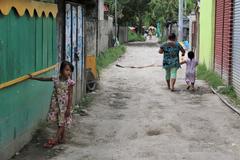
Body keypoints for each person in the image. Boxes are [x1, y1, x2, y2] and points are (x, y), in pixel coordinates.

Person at [29, 61, 75, 148]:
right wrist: (33, 77)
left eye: (70, 71)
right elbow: (44, 79)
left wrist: (68, 108)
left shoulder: (70, 82)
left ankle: (55, 140)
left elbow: (70, 96)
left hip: (64, 106)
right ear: (61, 70)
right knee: (60, 121)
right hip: (56, 105)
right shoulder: (56, 78)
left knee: (62, 122)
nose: (69, 72)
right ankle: (62, 138)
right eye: (67, 70)